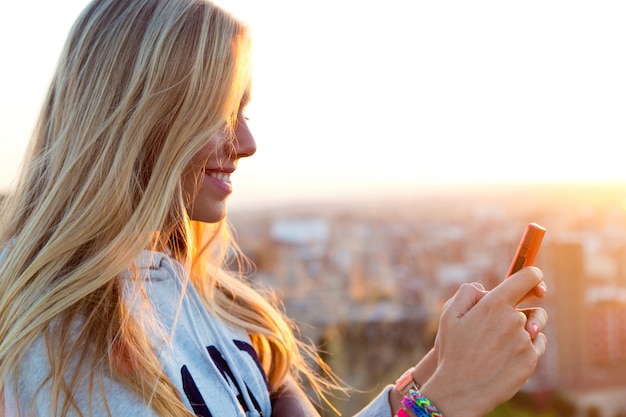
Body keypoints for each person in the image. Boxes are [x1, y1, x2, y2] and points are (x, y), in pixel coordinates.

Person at [0, 0, 547, 416]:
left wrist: (440, 369)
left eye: (244, 110)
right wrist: (447, 399)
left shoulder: (225, 311)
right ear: (142, 116)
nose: (246, 142)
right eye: (220, 111)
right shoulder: (64, 344)